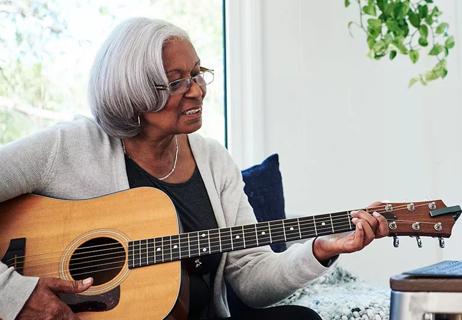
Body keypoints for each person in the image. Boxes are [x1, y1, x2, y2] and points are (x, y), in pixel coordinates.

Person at [0, 17, 389, 320]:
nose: (198, 89)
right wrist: (16, 294)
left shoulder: (214, 160)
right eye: (176, 82)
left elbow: (251, 277)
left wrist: (320, 250)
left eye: (198, 73)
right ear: (131, 89)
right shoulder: (66, 147)